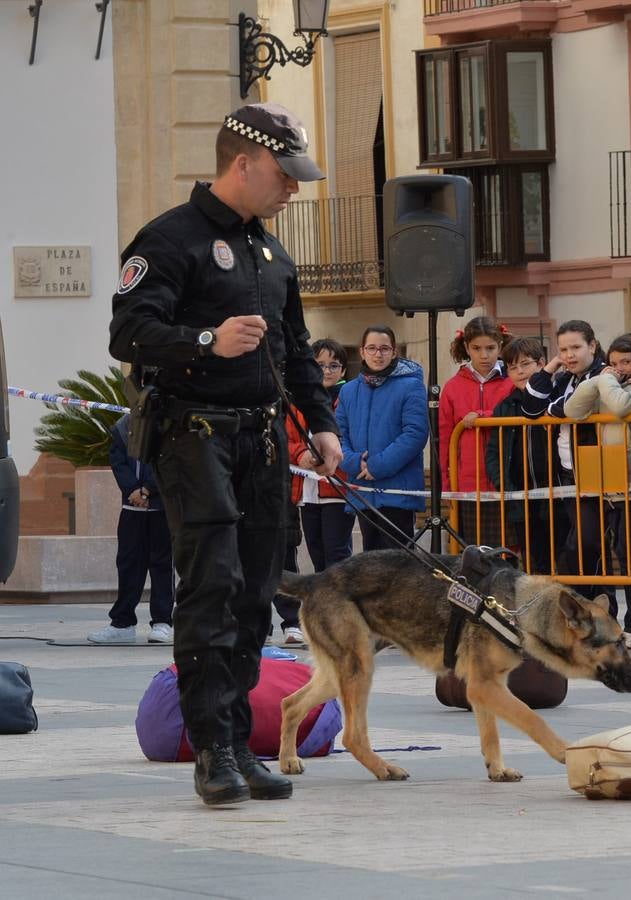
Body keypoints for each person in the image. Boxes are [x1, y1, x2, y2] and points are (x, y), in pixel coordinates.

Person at [108, 102, 341, 805]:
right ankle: (211, 748)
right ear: (243, 164)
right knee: (209, 587)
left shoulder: (270, 254)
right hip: (194, 434)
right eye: (284, 174)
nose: (293, 189)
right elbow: (128, 334)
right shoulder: (169, 239)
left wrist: (322, 423)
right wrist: (206, 340)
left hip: (262, 437)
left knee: (255, 591)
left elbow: (295, 351)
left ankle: (241, 742)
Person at [563, 333, 631, 646]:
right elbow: (573, 410)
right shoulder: (608, 385)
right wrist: (598, 380)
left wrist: (606, 381)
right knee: (620, 553)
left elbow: (619, 408)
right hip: (611, 484)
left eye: (625, 363)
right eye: (613, 363)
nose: (618, 368)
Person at [521, 320, 607, 597]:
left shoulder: (603, 373)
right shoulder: (565, 377)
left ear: (592, 346)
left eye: (576, 348)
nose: (569, 355)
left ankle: (601, 609)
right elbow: (531, 408)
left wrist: (554, 408)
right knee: (580, 547)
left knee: (585, 544)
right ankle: (588, 609)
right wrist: (550, 367)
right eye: (563, 349)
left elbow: (573, 408)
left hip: (598, 469)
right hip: (568, 473)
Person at [336, 324, 430, 552]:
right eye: (372, 348)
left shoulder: (411, 386)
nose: (378, 354)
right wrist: (353, 461)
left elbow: (415, 433)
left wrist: (378, 465)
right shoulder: (348, 391)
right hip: (362, 488)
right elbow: (338, 434)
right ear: (362, 352)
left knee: (399, 564)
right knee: (371, 563)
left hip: (397, 490)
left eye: (384, 349)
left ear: (394, 352)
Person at [88, 414, 175, 645]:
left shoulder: (168, 423)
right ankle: (122, 623)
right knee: (128, 564)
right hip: (131, 508)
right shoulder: (123, 427)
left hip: (161, 509)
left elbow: (170, 461)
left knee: (162, 565)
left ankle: (162, 622)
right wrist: (133, 491)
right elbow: (118, 460)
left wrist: (148, 490)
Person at [484, 337, 561, 575]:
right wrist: (505, 486)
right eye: (512, 367)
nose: (520, 372)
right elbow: (494, 453)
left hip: (559, 495)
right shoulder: (504, 408)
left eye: (525, 364)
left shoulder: (557, 398)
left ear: (541, 364)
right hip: (521, 498)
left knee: (567, 558)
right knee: (535, 563)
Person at [439, 315, 513, 547]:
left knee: (508, 552)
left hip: (507, 480)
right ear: (466, 348)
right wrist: (447, 485)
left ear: (501, 346)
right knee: (472, 552)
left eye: (490, 348)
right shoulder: (452, 387)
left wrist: (483, 417)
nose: (484, 355)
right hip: (467, 485)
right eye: (477, 348)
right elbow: (444, 439)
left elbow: (518, 415)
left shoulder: (512, 382)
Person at [290, 338, 356, 576]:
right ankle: (322, 608)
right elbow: (286, 438)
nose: (327, 371)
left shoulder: (348, 399)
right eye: (319, 365)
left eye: (334, 365)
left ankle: (338, 610)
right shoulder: (299, 401)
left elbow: (351, 442)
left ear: (344, 370)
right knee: (316, 554)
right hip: (307, 491)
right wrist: (300, 454)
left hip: (336, 489)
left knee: (336, 556)